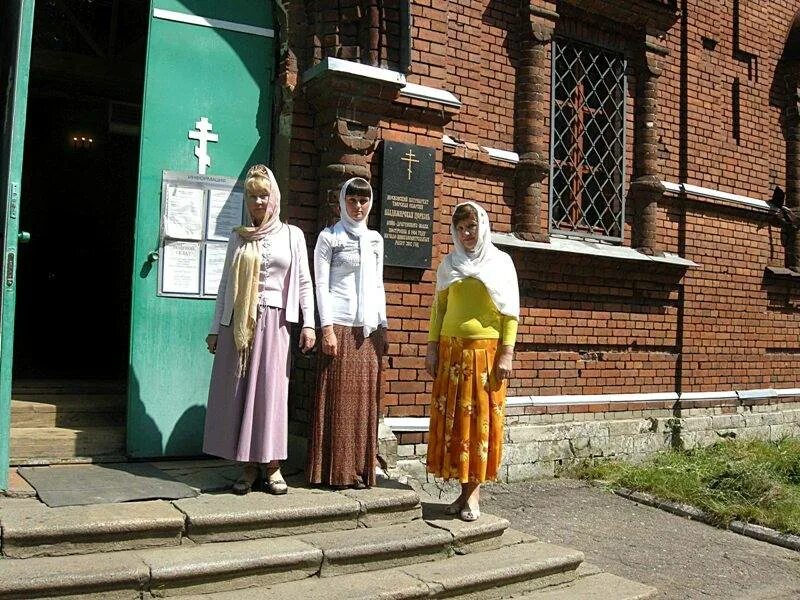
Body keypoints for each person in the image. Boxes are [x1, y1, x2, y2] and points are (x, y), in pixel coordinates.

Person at [204, 164, 315, 494]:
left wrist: (309, 323)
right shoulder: (238, 236)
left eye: (263, 195)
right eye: (252, 196)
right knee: (239, 393)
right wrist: (215, 328)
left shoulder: (292, 235)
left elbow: (304, 282)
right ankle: (248, 466)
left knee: (270, 392)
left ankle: (273, 465)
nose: (258, 202)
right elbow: (225, 284)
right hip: (239, 322)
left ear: (274, 197)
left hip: (275, 322)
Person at [424, 201, 519, 521]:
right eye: (461, 228)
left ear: (483, 226)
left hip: (485, 356)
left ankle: (473, 495)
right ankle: (462, 493)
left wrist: (507, 353)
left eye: (472, 227)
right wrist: (432, 348)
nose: (466, 233)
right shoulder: (448, 264)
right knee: (454, 425)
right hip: (451, 354)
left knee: (478, 425)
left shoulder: (500, 263)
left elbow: (510, 313)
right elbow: (438, 309)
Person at [307, 177, 388, 489]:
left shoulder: (375, 240)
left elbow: (378, 284)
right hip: (339, 327)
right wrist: (326, 328)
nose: (358, 206)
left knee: (363, 402)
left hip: (367, 331)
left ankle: (359, 468)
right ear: (343, 202)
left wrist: (383, 325)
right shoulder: (330, 237)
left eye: (363, 200)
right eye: (352, 200)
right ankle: (333, 471)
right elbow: (321, 285)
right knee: (338, 401)